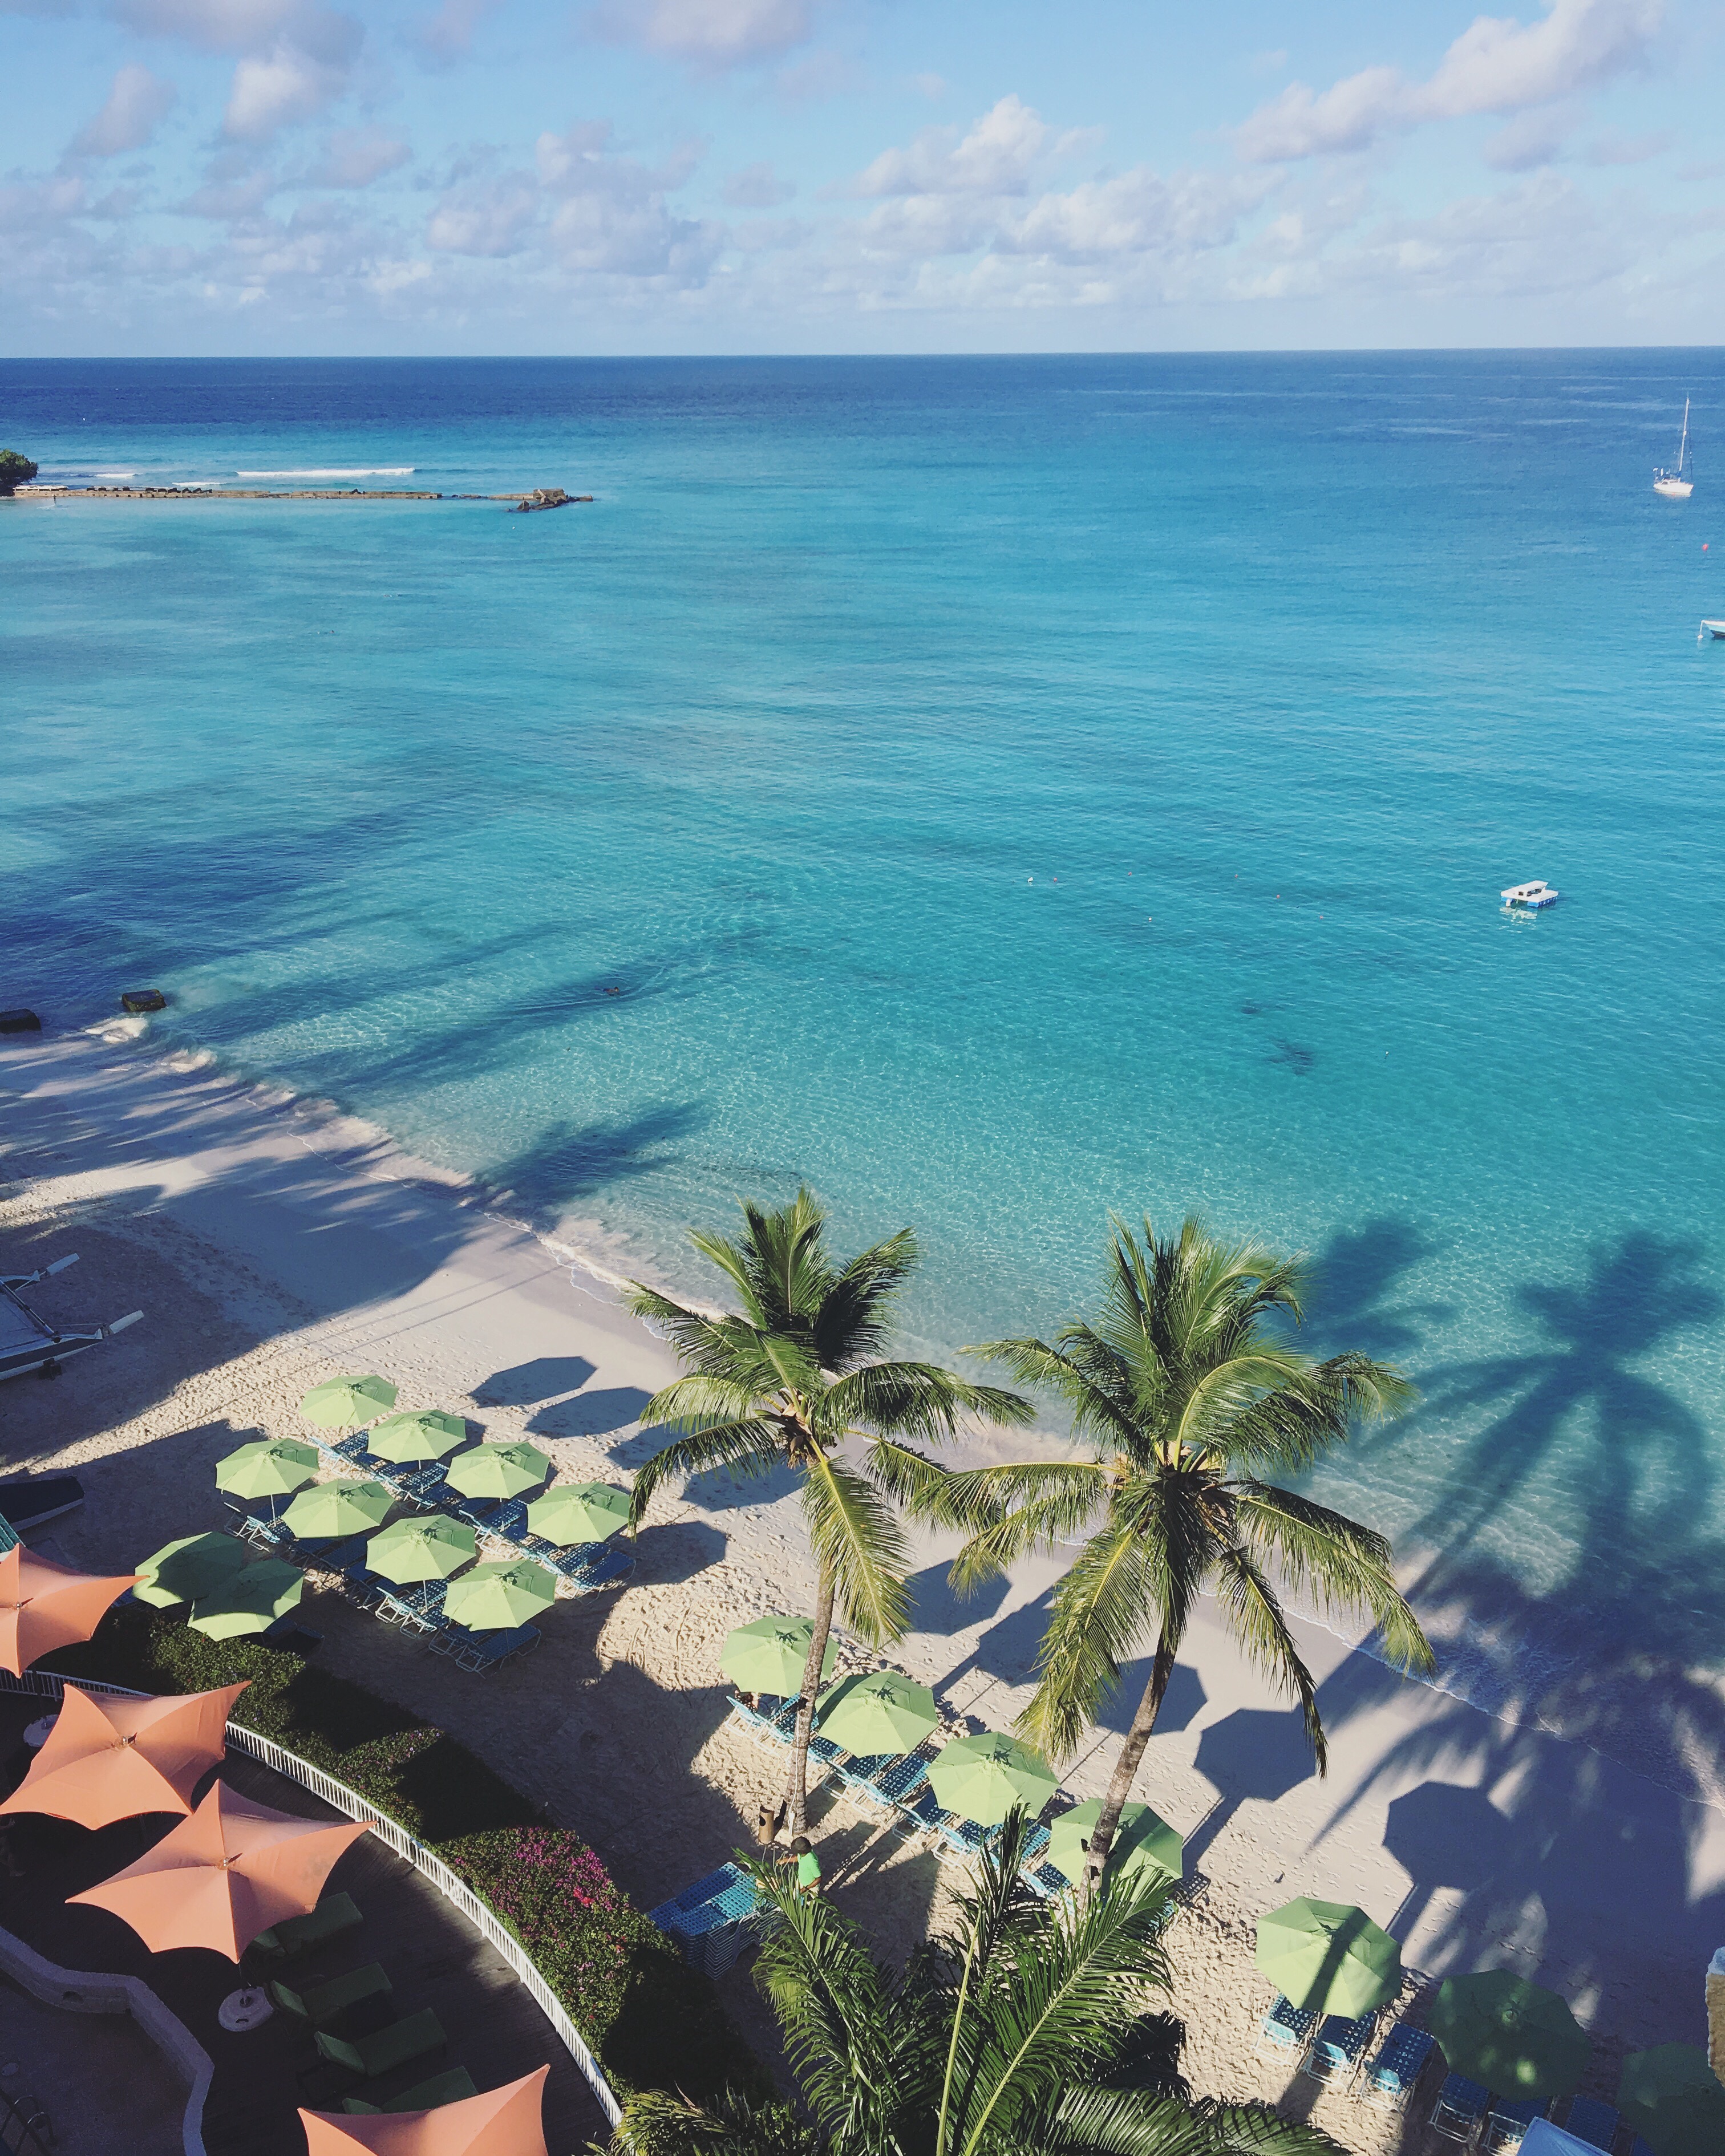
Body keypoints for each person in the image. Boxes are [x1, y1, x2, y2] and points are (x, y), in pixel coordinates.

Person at [785, 1834, 822, 1898]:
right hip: (801, 1881)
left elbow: (818, 1878)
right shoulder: (803, 1854)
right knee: (795, 1898)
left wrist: (805, 1889)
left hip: (811, 1888)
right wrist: (785, 1860)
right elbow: (798, 1858)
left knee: (809, 1904)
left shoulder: (812, 1861)